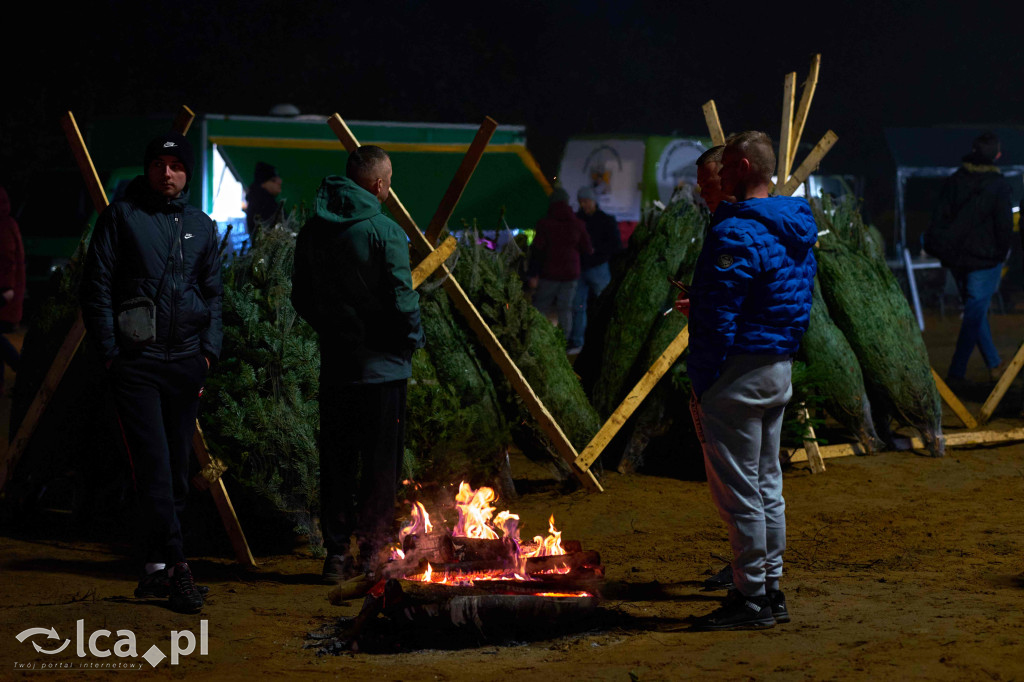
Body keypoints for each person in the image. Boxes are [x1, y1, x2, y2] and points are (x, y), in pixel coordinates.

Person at [81, 131, 222, 614]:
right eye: (159, 163)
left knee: (176, 474)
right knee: (156, 468)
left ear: (187, 174)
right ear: (148, 168)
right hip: (136, 365)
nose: (168, 173)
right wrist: (111, 353)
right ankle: (180, 568)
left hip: (185, 363)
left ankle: (152, 570)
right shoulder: (122, 218)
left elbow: (213, 294)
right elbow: (96, 286)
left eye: (177, 166)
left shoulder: (202, 225)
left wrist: (208, 353)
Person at [681, 131, 817, 630]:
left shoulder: (735, 230)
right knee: (766, 485)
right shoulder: (795, 226)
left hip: (737, 374)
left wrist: (705, 377)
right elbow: (785, 299)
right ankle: (770, 588)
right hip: (777, 367)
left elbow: (719, 318)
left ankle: (753, 599)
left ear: (739, 167)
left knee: (739, 491)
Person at [291, 145, 423, 584]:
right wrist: (410, 341)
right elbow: (403, 300)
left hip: (338, 367)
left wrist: (335, 332)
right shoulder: (385, 231)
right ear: (380, 184)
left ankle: (335, 555)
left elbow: (301, 297)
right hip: (384, 371)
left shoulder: (312, 231)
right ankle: (371, 554)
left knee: (337, 462)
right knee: (380, 466)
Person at [929, 132, 1013, 385]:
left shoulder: (955, 180)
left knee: (975, 312)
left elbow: (940, 217)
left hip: (958, 259)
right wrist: (1002, 254)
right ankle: (957, 372)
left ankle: (994, 364)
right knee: (975, 315)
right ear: (997, 155)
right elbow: (1004, 226)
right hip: (985, 260)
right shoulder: (998, 185)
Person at [528, 188, 593, 341]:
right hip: (571, 274)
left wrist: (532, 273)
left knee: (540, 307)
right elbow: (587, 249)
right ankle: (563, 342)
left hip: (549, 273)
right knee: (565, 309)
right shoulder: (577, 224)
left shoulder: (545, 224)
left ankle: (536, 338)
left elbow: (537, 251)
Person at [567, 186, 622, 353]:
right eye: (582, 202)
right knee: (578, 306)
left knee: (598, 304)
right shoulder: (581, 220)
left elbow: (614, 245)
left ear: (593, 201)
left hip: (596, 267)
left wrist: (598, 255)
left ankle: (600, 339)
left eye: (586, 201)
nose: (584, 205)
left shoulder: (601, 220)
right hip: (586, 267)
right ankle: (579, 341)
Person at [0, 185, 25, 393]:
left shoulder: (4, 225)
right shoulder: (7, 224)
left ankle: (23, 370)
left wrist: (6, 289)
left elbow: (8, 259)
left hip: (4, 292)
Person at [245, 161, 283, 235]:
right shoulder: (264, 204)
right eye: (273, 180)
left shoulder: (259, 201)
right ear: (263, 184)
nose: (280, 181)